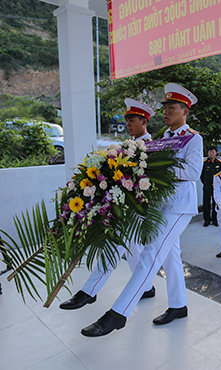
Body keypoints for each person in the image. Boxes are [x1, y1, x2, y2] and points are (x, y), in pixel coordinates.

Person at [74, 82, 203, 337]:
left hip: (179, 206)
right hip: (160, 204)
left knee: (151, 254)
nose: (166, 112)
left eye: (172, 107)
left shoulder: (193, 138)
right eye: (165, 107)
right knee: (170, 256)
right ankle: (178, 306)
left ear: (185, 111)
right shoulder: (162, 138)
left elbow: (193, 172)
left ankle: (118, 313)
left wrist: (158, 169)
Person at [59, 98, 159, 313]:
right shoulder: (125, 146)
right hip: (120, 207)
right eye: (127, 120)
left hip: (136, 209)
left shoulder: (151, 147)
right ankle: (148, 287)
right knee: (133, 249)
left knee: (114, 246)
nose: (128, 124)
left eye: (132, 120)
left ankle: (88, 292)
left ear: (144, 121)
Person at [201, 146, 221, 227]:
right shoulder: (205, 162)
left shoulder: (219, 163)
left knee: (216, 203)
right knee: (206, 203)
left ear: (216, 152)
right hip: (207, 185)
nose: (211, 153)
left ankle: (214, 219)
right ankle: (207, 219)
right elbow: (201, 175)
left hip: (216, 186)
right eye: (209, 152)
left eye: (213, 151)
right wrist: (205, 182)